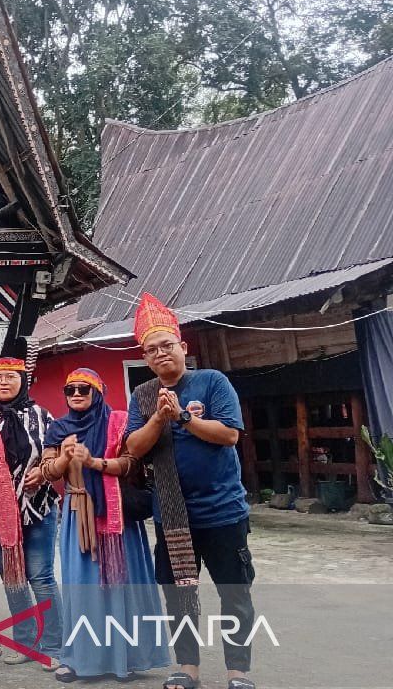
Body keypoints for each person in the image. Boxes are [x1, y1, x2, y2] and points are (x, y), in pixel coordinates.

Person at [123, 294, 255, 689]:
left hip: (223, 512)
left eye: (167, 345)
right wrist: (160, 418)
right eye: (152, 350)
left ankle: (238, 672)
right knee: (180, 597)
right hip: (172, 516)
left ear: (183, 347)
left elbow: (229, 434)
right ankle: (188, 669)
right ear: (145, 358)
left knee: (234, 595)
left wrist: (182, 416)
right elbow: (134, 447)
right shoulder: (143, 396)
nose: (160, 353)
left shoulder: (213, 382)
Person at [41, 368, 169, 682]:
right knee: (83, 589)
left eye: (84, 390)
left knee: (122, 584)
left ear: (98, 392)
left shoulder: (120, 422)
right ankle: (80, 659)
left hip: (117, 517)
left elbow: (132, 462)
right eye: (70, 391)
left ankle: (128, 657)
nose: (76, 396)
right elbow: (47, 472)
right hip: (78, 514)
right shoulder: (59, 429)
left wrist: (95, 463)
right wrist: (64, 458)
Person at [0, 356, 63, 669]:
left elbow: (56, 458)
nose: (4, 383)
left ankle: (54, 645)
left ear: (23, 381)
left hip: (39, 507)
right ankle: (27, 642)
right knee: (14, 579)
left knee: (41, 577)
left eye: (10, 377)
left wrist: (44, 473)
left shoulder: (43, 416)